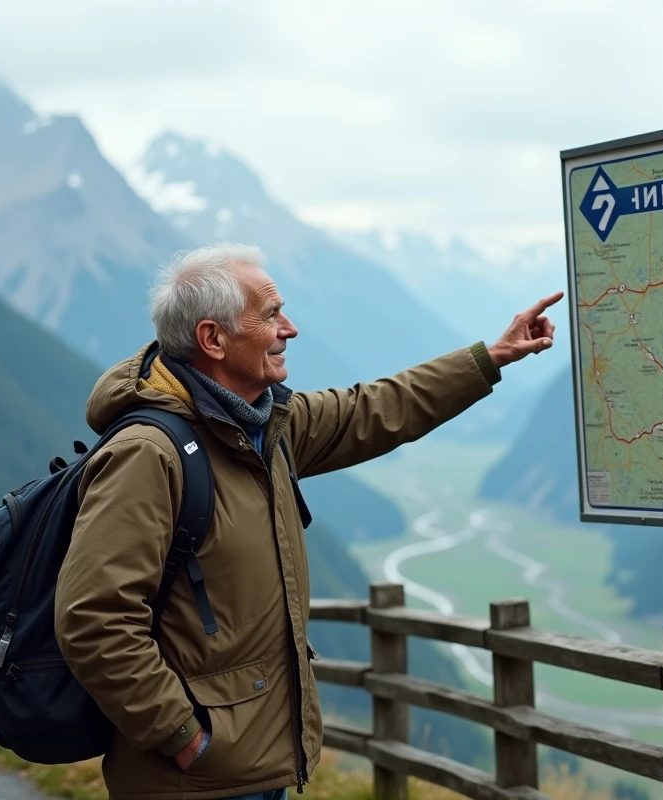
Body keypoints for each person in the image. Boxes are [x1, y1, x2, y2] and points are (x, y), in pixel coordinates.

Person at [54, 243, 562, 800]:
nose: (289, 329)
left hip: (248, 765)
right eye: (270, 315)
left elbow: (379, 407)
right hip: (192, 779)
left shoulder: (263, 428)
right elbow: (94, 618)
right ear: (213, 339)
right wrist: (182, 736)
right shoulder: (149, 454)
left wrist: (490, 358)